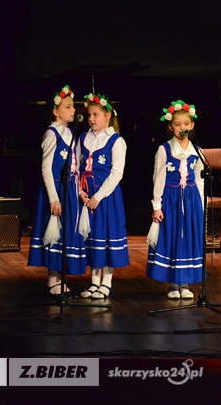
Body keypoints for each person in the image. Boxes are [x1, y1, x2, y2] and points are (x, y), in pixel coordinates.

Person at [27, 85, 86, 296]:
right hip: (57, 189)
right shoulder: (52, 134)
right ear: (55, 111)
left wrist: (78, 190)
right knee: (54, 231)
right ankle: (52, 279)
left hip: (69, 189)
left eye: (73, 106)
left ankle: (60, 276)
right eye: (68, 107)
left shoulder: (69, 132)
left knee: (66, 232)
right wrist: (53, 198)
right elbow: (46, 168)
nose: (73, 110)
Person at [146, 100, 203, 299]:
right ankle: (173, 283)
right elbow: (158, 178)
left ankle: (185, 283)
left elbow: (199, 179)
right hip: (171, 199)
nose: (182, 128)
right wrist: (157, 205)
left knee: (188, 238)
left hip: (191, 199)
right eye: (177, 124)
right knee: (172, 237)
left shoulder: (196, 150)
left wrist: (200, 203)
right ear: (171, 127)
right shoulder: (164, 149)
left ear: (192, 125)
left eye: (186, 124)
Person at [77, 92, 130, 299]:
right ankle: (93, 282)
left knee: (106, 236)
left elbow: (117, 173)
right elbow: (77, 168)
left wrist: (98, 197)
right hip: (87, 194)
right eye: (89, 115)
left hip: (106, 198)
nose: (91, 119)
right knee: (93, 238)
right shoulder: (84, 138)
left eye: (95, 115)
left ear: (107, 115)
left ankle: (106, 282)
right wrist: (80, 191)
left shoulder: (116, 141)